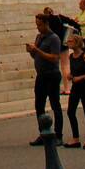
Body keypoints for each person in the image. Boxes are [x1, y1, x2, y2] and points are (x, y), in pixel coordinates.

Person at [27, 11, 63, 146]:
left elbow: (55, 58)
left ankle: (59, 135)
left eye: (40, 25)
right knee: (39, 105)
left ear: (46, 24)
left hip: (52, 74)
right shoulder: (39, 37)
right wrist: (32, 52)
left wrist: (37, 50)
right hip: (41, 75)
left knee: (55, 105)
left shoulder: (54, 38)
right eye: (37, 25)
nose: (38, 27)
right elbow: (36, 57)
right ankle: (43, 133)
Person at [63, 35, 85, 148]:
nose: (68, 42)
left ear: (77, 43)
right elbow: (74, 71)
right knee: (70, 111)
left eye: (70, 41)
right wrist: (70, 75)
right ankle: (75, 138)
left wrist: (81, 77)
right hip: (75, 87)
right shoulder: (71, 56)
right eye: (68, 41)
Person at [42, 5, 79, 94]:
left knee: (53, 67)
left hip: (53, 45)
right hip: (63, 44)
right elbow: (72, 22)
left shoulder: (46, 21)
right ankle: (67, 88)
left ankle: (55, 88)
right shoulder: (59, 17)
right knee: (65, 65)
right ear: (52, 12)